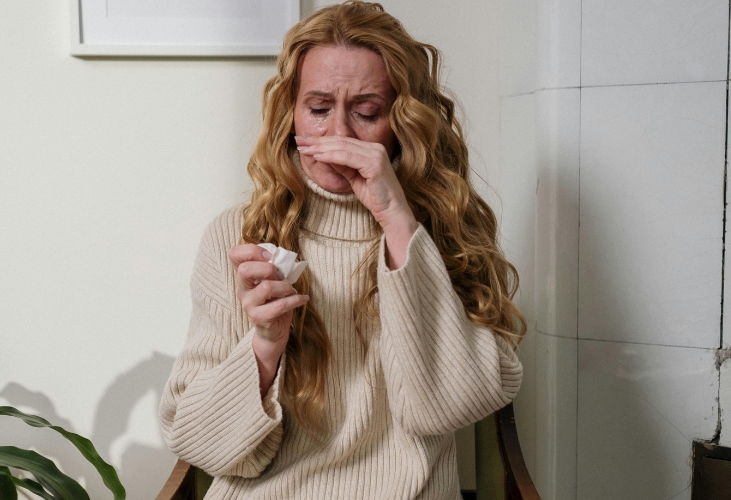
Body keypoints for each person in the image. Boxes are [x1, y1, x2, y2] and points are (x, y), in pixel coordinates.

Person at [160, 2, 524, 498]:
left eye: (367, 112)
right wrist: (265, 346)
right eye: (318, 109)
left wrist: (397, 221)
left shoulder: (449, 231)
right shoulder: (237, 236)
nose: (339, 135)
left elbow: (444, 408)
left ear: (402, 119)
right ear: (290, 114)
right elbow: (199, 442)